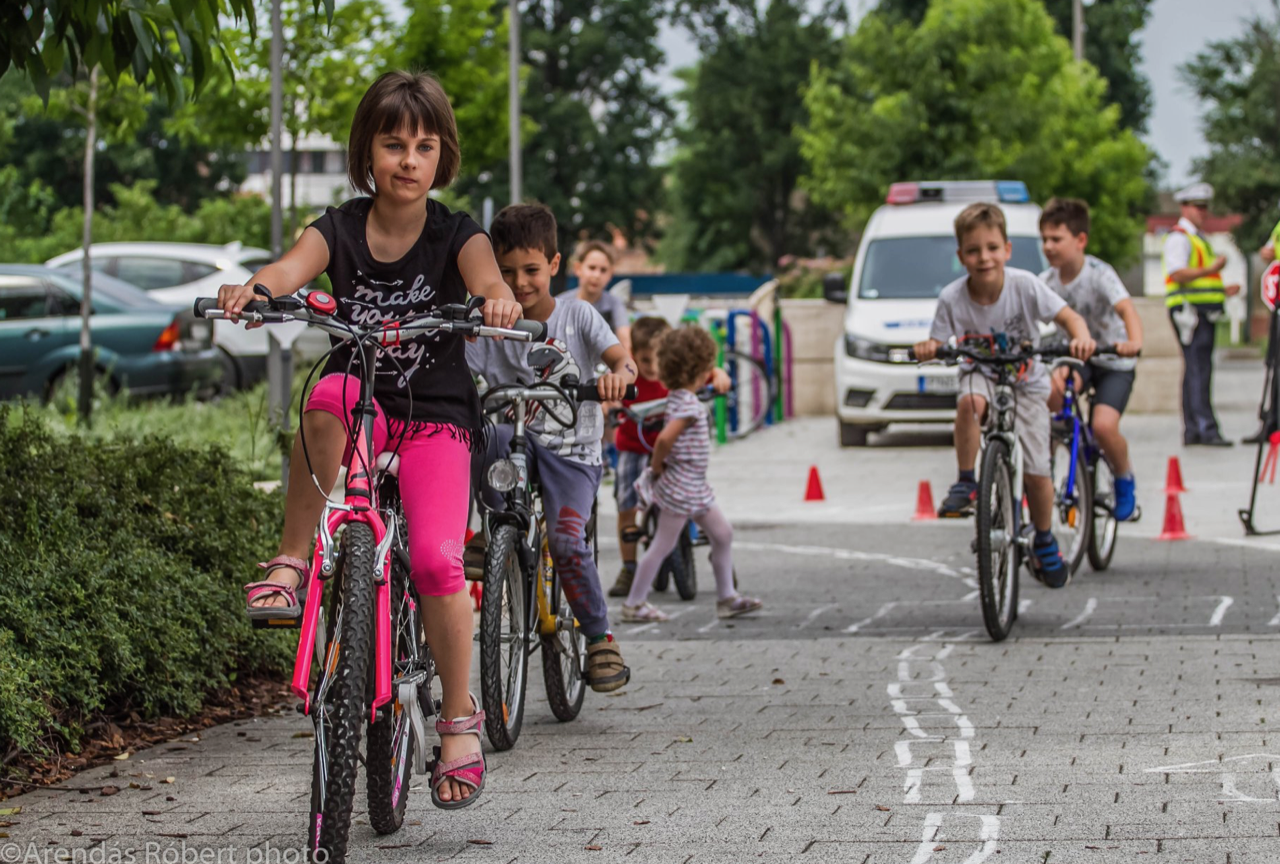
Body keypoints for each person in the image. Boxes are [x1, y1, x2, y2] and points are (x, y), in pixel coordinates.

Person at [217, 71, 523, 808]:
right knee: (322, 397)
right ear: (369, 152)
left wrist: (496, 296)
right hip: (363, 408)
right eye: (393, 144)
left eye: (424, 146)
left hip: (437, 418)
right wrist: (258, 288)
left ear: (442, 156)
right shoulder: (341, 229)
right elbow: (290, 268)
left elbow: (485, 276)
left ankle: (458, 721)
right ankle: (295, 559)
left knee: (438, 562)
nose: (408, 160)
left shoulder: (457, 234)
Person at [467, 203, 636, 693]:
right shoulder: (490, 323)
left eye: (531, 270)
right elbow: (459, 366)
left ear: (555, 265)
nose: (519, 282)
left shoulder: (578, 315)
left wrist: (617, 380)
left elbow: (622, 361)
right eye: (506, 272)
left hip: (572, 450)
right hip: (512, 442)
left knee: (565, 541)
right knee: (476, 433)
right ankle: (489, 534)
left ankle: (600, 637)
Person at [914, 202, 1095, 589]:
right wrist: (928, 347)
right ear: (961, 255)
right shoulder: (952, 297)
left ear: (1007, 250)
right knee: (968, 404)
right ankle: (967, 480)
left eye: (992, 248)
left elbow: (1068, 317)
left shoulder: (1025, 285)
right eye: (974, 250)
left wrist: (1080, 335)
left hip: (1026, 381)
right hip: (979, 372)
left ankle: (1044, 538)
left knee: (1036, 469)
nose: (984, 258)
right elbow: (936, 339)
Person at [621, 325, 762, 622]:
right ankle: (635, 604)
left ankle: (727, 598)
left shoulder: (678, 398)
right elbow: (663, 440)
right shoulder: (689, 406)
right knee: (662, 544)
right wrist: (657, 468)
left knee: (722, 534)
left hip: (694, 486)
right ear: (699, 370)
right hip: (682, 487)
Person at [608, 316, 730, 598]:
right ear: (634, 356)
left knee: (690, 497)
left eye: (657, 361)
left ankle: (710, 549)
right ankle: (628, 566)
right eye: (645, 361)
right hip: (634, 447)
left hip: (671, 451)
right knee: (627, 502)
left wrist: (719, 374)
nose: (653, 369)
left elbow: (708, 374)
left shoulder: (674, 376)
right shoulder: (630, 375)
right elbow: (611, 391)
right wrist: (611, 402)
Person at [1039, 198, 1144, 521]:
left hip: (1113, 360)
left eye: (1056, 239)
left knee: (1103, 425)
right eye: (1044, 239)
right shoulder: (1046, 282)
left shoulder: (1099, 273)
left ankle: (1123, 478)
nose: (1049, 246)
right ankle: (1051, 460)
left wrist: (1134, 342)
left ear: (1080, 240)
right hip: (1075, 356)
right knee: (1053, 393)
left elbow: (1126, 309)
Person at [1162, 181, 1241, 447]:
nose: (1203, 212)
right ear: (1183, 207)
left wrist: (1221, 290)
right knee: (1198, 369)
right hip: (1190, 314)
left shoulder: (1197, 238)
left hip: (1200, 311)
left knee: (1196, 368)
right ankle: (1205, 428)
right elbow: (1178, 273)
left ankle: (1194, 429)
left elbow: (1199, 283)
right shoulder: (1179, 238)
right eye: (1197, 206)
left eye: (1205, 207)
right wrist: (1213, 268)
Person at [572, 240, 631, 355]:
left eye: (603, 270)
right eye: (592, 268)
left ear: (611, 274)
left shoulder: (614, 304)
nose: (597, 275)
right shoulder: (562, 303)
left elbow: (625, 340)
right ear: (578, 268)